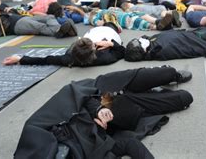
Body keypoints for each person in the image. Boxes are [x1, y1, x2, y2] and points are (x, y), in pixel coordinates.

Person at [14, 66, 193, 159]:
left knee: (166, 73)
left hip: (102, 89)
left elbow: (72, 92)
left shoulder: (37, 133)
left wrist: (97, 110)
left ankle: (171, 76)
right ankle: (155, 93)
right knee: (184, 98)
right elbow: (129, 144)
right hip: (126, 111)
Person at [3, 25, 125, 67]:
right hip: (109, 31)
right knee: (110, 24)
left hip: (98, 34)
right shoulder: (105, 58)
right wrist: (111, 43)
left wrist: (21, 59)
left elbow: (47, 59)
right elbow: (122, 51)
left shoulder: (69, 59)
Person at [0, 4, 77, 38]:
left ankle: (61, 30)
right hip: (17, 25)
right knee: (41, 27)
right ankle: (59, 31)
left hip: (23, 18)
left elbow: (2, 5)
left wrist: (8, 10)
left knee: (49, 17)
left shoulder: (0, 13)